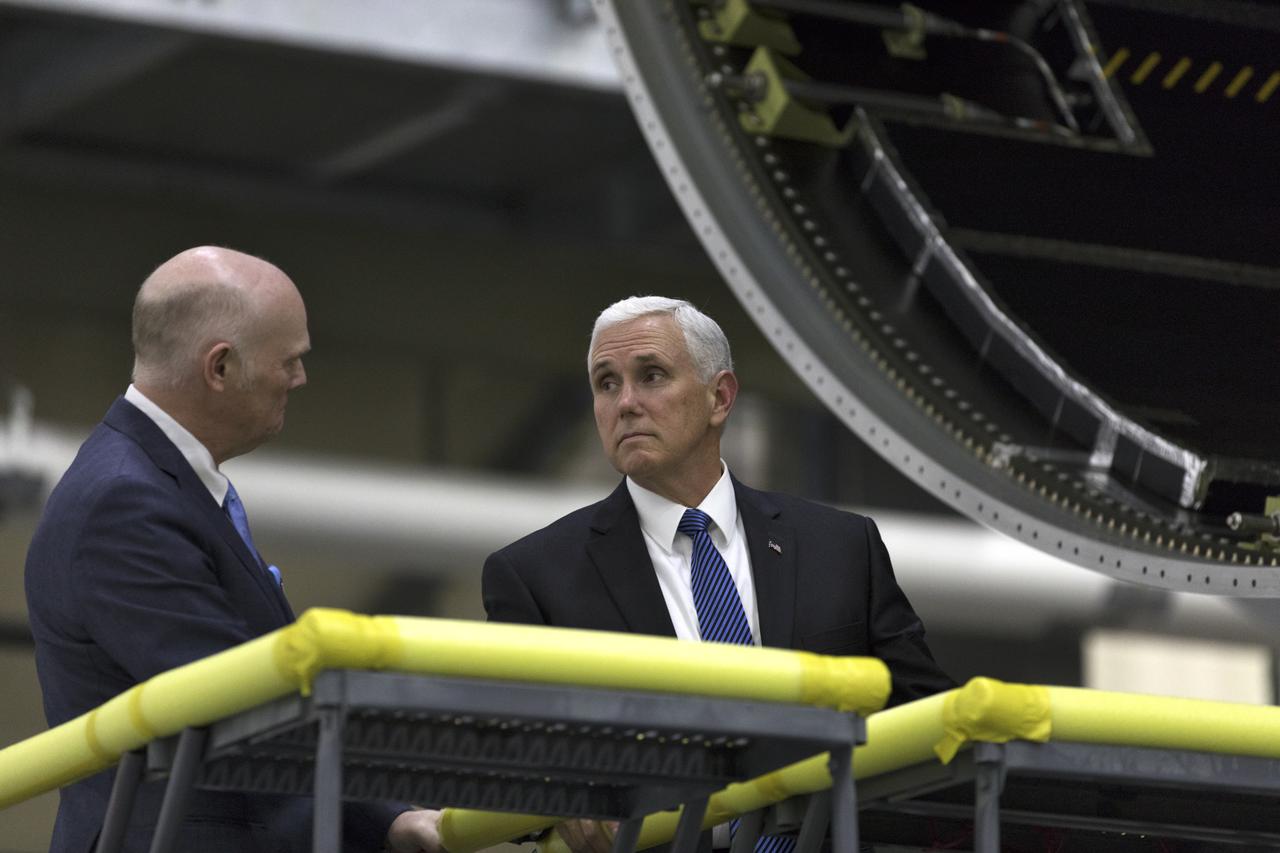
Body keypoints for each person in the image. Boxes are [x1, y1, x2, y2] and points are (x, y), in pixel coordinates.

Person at [482, 296, 953, 852]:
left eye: (651, 375)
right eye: (606, 384)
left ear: (719, 397)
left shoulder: (841, 547)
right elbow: (508, 754)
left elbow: (928, 719)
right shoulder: (535, 574)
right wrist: (557, 793)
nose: (626, 402)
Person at [25, 247, 441, 853]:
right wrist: (391, 810)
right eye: (290, 360)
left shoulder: (148, 485)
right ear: (219, 368)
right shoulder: (126, 503)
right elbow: (240, 706)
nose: (299, 378)